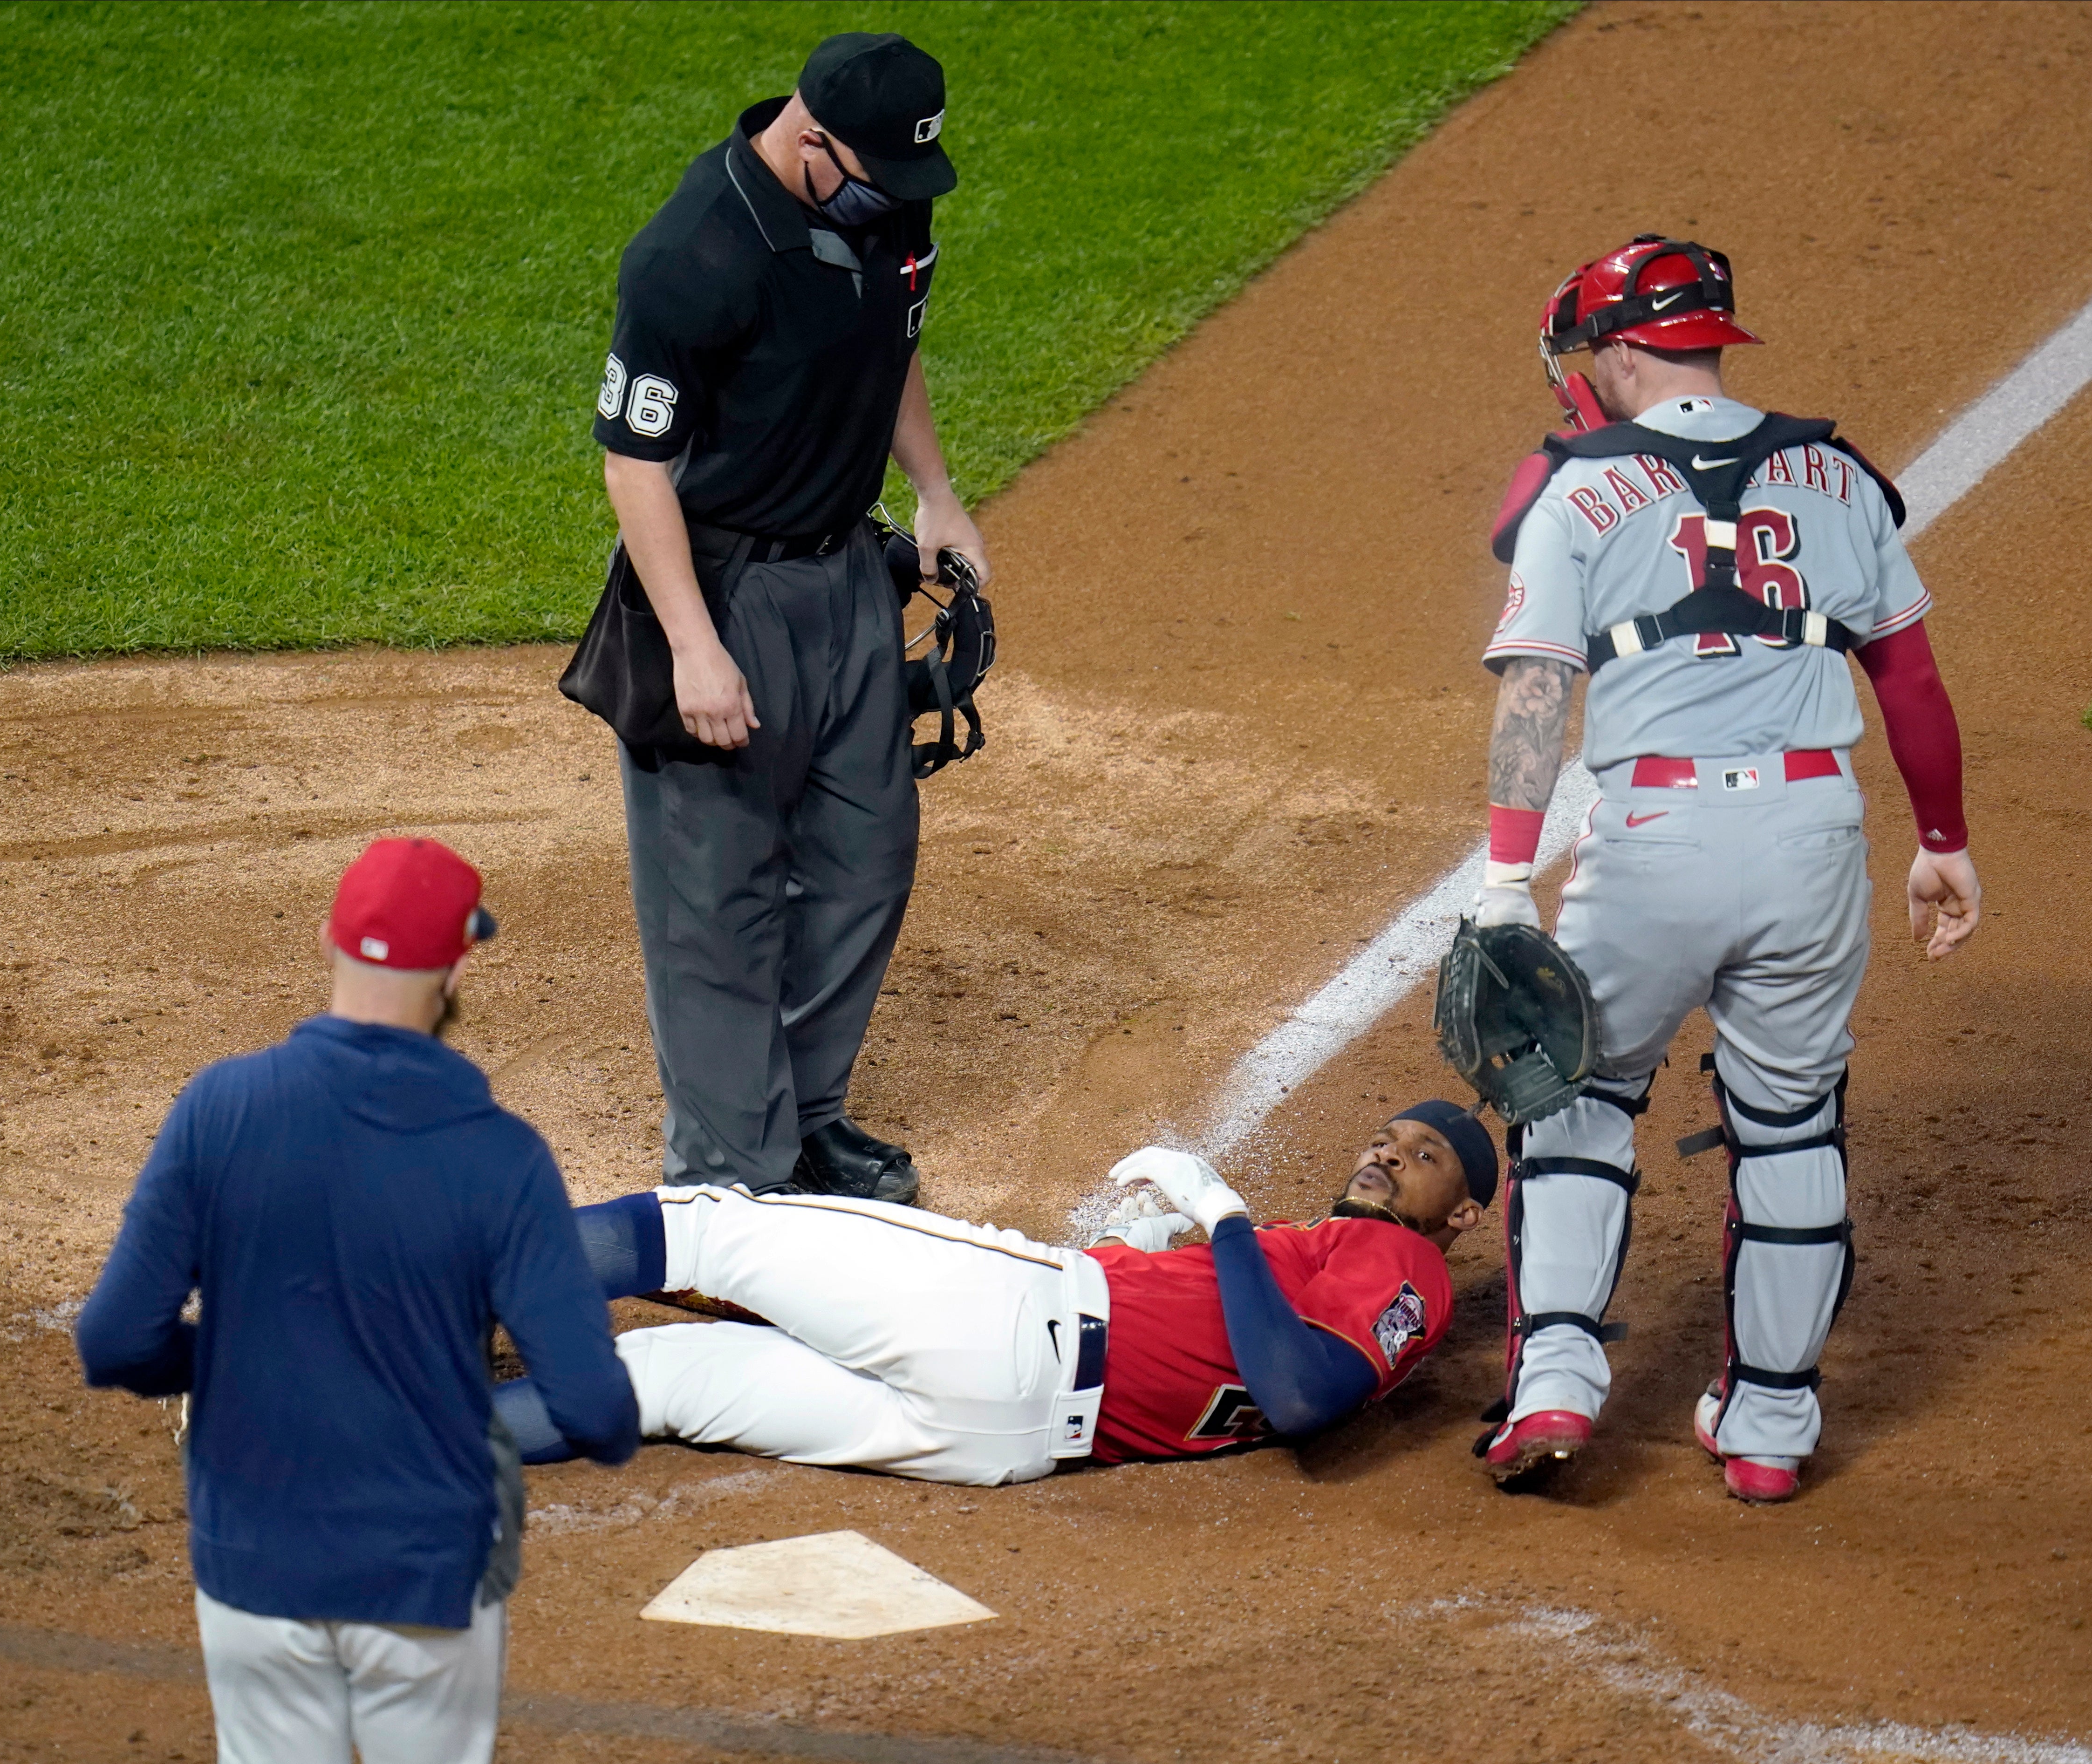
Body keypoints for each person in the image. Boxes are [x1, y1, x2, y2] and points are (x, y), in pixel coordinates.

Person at [1473, 236, 1983, 1503]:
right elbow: (1909, 677)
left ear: (1629, 351)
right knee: (1794, 1117)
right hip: (1813, 839)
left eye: (1596, 353)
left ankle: (1555, 1386)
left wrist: (1502, 884)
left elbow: (1540, 687)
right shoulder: (1839, 474)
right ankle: (1768, 1430)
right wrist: (1942, 843)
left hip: (1654, 843)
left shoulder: (1574, 487)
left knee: (1575, 1095)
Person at [76, 838, 637, 1764]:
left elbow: (114, 1340)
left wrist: (221, 1363)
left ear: (326, 946)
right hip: (423, 1569)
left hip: (253, 1552)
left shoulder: (217, 1109)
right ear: (457, 965)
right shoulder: (502, 1157)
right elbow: (591, 1405)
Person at [588, 31, 988, 1207]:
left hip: (847, 579)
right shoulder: (694, 254)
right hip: (720, 589)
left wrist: (936, 489)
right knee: (718, 894)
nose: (892, 202)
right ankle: (727, 1183)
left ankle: (804, 1119)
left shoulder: (883, 205)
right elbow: (633, 463)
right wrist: (693, 647)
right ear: (809, 139)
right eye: (871, 175)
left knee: (867, 853)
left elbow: (891, 339)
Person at [492, 1102, 1498, 1485]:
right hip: (1002, 1440)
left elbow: (1297, 1395)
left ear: (1458, 1218)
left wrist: (1221, 1213)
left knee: (706, 1229)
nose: (1388, 1156)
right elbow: (1248, 1348)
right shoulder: (1332, 1264)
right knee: (655, 1379)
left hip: (1008, 1321)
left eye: (1424, 1159)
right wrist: (1142, 1254)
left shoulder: (1399, 1266)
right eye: (1385, 1138)